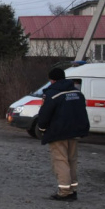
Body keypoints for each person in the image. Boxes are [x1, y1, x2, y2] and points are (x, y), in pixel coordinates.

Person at [36, 67, 90, 201]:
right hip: (74, 132)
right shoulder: (77, 93)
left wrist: (42, 129)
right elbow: (82, 112)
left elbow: (44, 115)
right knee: (72, 160)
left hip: (58, 133)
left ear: (52, 80)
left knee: (60, 160)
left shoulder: (52, 94)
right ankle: (73, 190)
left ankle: (64, 192)